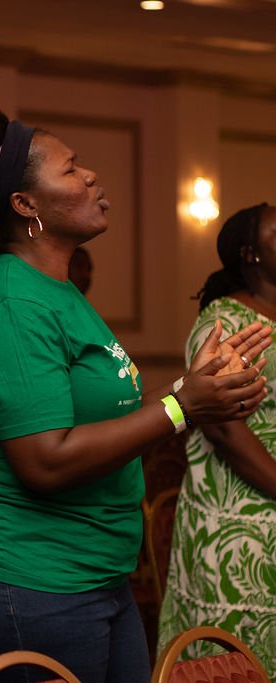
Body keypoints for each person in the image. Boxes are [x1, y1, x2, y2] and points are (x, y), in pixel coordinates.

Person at [0, 105, 272, 683]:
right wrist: (185, 405)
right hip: (22, 575)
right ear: (25, 204)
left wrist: (195, 382)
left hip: (93, 571)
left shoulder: (55, 291)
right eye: (70, 169)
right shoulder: (12, 301)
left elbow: (111, 417)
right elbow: (47, 461)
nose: (90, 176)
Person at [157, 202, 276, 676]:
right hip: (240, 516)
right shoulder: (224, 321)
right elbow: (223, 428)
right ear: (250, 253)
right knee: (237, 657)